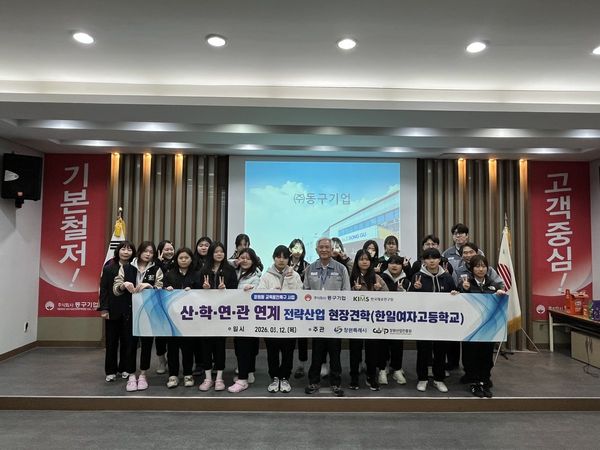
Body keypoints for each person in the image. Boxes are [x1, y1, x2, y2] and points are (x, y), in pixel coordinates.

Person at [113, 241, 164, 392]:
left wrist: (150, 286)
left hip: (148, 313)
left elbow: (161, 289)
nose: (148, 254)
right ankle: (131, 375)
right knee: (130, 344)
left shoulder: (156, 269)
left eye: (151, 252)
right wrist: (123, 285)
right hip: (130, 312)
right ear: (140, 251)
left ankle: (143, 375)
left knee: (147, 344)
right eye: (146, 251)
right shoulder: (126, 267)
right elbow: (115, 288)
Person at [304, 237, 351, 397]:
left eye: (327, 247)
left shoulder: (341, 268)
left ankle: (336, 383)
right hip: (316, 318)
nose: (324, 250)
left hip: (335, 318)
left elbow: (346, 292)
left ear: (332, 250)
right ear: (316, 250)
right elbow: (305, 291)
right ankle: (313, 381)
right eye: (321, 247)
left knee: (335, 352)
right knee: (317, 352)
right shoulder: (310, 269)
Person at [409, 248, 457, 393]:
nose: (431, 261)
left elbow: (454, 296)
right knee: (423, 351)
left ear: (439, 260)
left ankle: (439, 379)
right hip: (423, 321)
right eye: (428, 258)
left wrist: (455, 293)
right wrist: (415, 289)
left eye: (434, 258)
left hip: (442, 321)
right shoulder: (417, 276)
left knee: (440, 351)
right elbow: (409, 300)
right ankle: (422, 379)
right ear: (424, 261)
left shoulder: (447, 277)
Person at [458, 255, 506, 398]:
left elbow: (498, 304)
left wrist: (500, 294)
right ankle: (474, 382)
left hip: (488, 328)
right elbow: (459, 301)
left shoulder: (494, 285)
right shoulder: (465, 283)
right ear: (472, 269)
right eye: (477, 266)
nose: (480, 269)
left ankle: (484, 380)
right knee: (470, 356)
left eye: (483, 266)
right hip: (470, 328)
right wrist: (461, 290)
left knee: (486, 356)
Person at [258, 245, 303, 393]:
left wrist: (289, 280)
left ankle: (285, 378)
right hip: (271, 320)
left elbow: (300, 295)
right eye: (278, 257)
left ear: (289, 259)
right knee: (272, 351)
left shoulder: (295, 275)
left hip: (289, 320)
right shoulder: (266, 276)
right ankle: (275, 377)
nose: (281, 260)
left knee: (288, 351)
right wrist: (271, 292)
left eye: (285, 257)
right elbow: (259, 294)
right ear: (274, 258)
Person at [198, 241, 237, 392]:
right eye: (216, 252)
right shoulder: (204, 270)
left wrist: (225, 289)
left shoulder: (229, 270)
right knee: (205, 346)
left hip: (222, 315)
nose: (219, 254)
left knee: (220, 346)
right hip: (206, 314)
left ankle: (219, 378)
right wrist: (204, 288)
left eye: (221, 251)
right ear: (211, 254)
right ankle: (208, 378)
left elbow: (235, 290)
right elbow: (195, 290)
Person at [348, 249, 388, 391]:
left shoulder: (377, 278)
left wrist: (379, 290)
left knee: (372, 351)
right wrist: (354, 291)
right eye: (361, 259)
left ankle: (371, 377)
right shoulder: (351, 277)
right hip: (355, 320)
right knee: (355, 350)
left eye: (367, 259)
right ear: (357, 261)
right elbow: (342, 298)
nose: (364, 262)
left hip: (372, 320)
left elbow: (389, 298)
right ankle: (354, 377)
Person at [163, 247, 202, 389]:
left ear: (191, 259)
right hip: (172, 318)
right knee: (172, 348)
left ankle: (187, 374)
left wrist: (193, 291)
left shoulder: (197, 274)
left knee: (188, 348)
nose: (184, 260)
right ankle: (173, 375)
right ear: (176, 259)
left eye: (186, 258)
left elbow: (203, 294)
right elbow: (162, 293)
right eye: (181, 258)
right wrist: (166, 290)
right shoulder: (169, 274)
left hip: (189, 318)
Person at [98, 240, 135, 382]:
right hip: (112, 310)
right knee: (111, 342)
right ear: (118, 251)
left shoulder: (134, 269)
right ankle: (110, 370)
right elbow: (104, 290)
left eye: (129, 249)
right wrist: (104, 309)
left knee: (127, 342)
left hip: (129, 311)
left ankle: (125, 368)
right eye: (123, 249)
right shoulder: (108, 269)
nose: (126, 252)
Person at [228, 248, 262, 393]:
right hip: (236, 315)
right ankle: (248, 372)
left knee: (246, 346)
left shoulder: (257, 275)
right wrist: (236, 262)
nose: (245, 260)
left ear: (253, 260)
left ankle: (243, 379)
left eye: (248, 258)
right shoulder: (234, 271)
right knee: (239, 345)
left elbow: (258, 292)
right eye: (242, 258)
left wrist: (252, 289)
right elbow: (224, 262)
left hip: (250, 316)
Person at [378, 254, 408, 386]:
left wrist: (404, 292)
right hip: (382, 317)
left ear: (402, 266)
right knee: (382, 344)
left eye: (398, 263)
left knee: (397, 344)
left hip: (399, 318)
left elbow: (413, 300)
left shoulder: (407, 280)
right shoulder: (380, 278)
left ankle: (396, 369)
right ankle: (382, 369)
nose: (394, 266)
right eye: (391, 263)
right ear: (387, 265)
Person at [288, 238, 310, 379]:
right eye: (295, 248)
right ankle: (287, 365)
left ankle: (301, 365)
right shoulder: (284, 264)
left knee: (302, 337)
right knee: (289, 337)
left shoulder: (307, 266)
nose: (297, 251)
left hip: (302, 305)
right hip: (287, 305)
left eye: (300, 248)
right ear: (290, 249)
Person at [191, 236, 212, 373]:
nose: (204, 247)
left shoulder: (215, 261)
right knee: (197, 335)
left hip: (213, 304)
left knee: (211, 334)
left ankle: (212, 362)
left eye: (206, 245)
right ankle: (199, 363)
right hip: (195, 303)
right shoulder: (192, 261)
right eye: (201, 245)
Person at [155, 239, 175, 375]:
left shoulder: (177, 263)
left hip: (174, 304)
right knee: (160, 335)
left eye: (171, 249)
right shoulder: (155, 264)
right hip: (159, 304)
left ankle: (173, 361)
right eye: (166, 249)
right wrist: (159, 263)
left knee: (173, 337)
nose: (169, 251)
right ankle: (162, 361)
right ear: (160, 251)